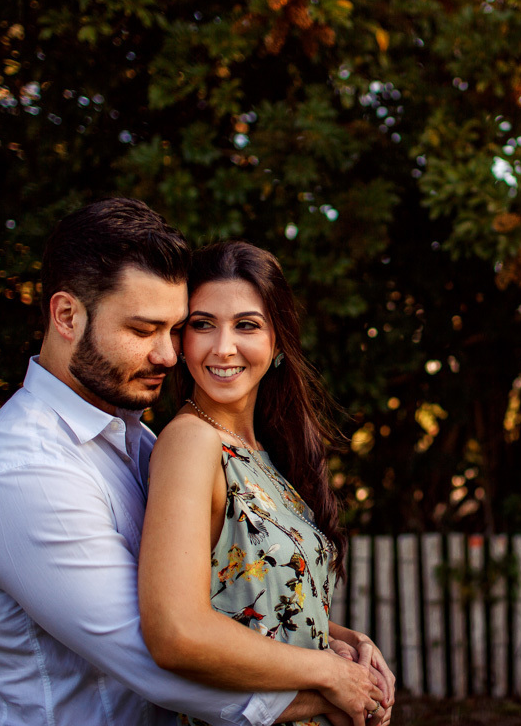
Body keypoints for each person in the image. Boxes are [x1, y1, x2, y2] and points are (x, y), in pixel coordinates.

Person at [0, 198, 385, 726]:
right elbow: (164, 656)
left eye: (174, 330)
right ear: (66, 316)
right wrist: (334, 687)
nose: (169, 356)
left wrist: (337, 642)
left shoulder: (134, 439)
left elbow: (224, 598)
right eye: (143, 330)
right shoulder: (24, 472)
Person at [138, 241, 395, 726]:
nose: (223, 347)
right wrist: (330, 674)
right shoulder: (191, 443)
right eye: (203, 324)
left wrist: (349, 642)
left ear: (277, 342)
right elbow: (176, 632)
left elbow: (258, 603)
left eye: (246, 325)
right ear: (181, 341)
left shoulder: (263, 454)